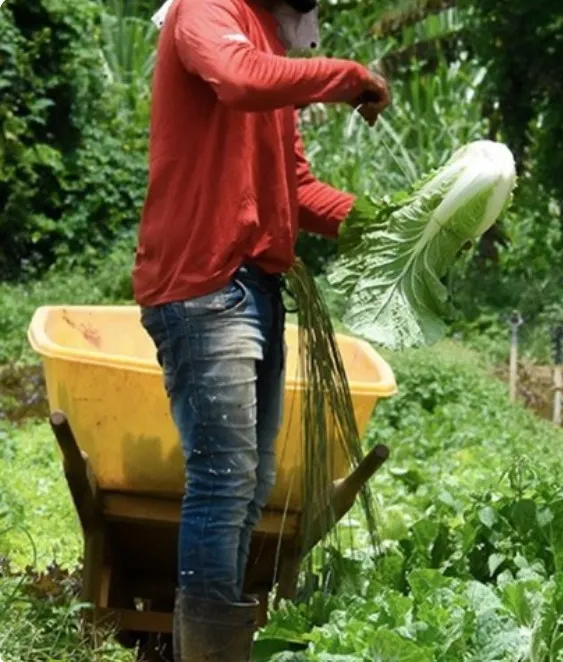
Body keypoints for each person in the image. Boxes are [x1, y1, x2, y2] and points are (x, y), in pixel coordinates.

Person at [133, 0, 389, 657]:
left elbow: (295, 189)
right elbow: (239, 78)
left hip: (257, 285)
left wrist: (397, 223)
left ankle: (209, 648)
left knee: (245, 488)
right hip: (204, 282)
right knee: (223, 478)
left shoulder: (270, 50)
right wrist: (344, 75)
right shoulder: (205, 11)